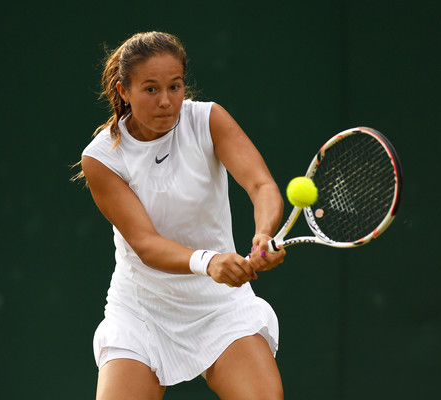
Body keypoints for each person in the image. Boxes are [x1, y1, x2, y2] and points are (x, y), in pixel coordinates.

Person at [75, 31, 286, 400]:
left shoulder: (208, 119)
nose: (166, 102)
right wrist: (210, 262)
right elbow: (146, 244)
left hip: (219, 305)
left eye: (175, 87)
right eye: (151, 89)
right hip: (142, 312)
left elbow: (261, 185)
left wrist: (263, 233)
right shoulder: (103, 158)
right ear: (124, 90)